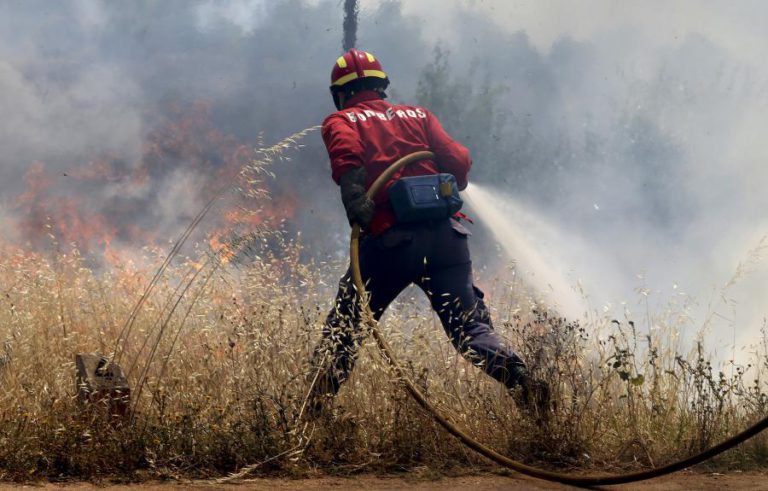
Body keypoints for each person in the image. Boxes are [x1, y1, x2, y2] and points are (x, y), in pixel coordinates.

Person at [307, 48, 548, 418]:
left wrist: (356, 201)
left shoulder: (341, 120)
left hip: (391, 245)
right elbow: (459, 163)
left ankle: (308, 418)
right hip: (447, 242)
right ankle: (519, 377)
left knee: (345, 327)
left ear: (340, 94)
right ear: (382, 86)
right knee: (470, 329)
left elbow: (348, 162)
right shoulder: (418, 115)